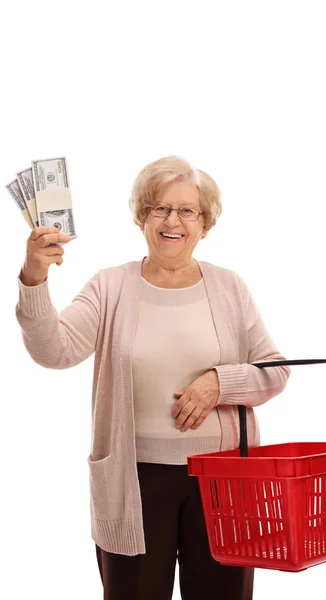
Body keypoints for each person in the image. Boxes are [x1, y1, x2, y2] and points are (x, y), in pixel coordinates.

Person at [15, 155, 291, 600]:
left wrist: (220, 382)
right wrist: (35, 277)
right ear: (142, 216)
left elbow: (275, 372)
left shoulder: (229, 287)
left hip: (223, 482)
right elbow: (54, 351)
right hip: (134, 481)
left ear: (206, 224)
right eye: (159, 208)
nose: (172, 220)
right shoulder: (111, 286)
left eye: (187, 210)